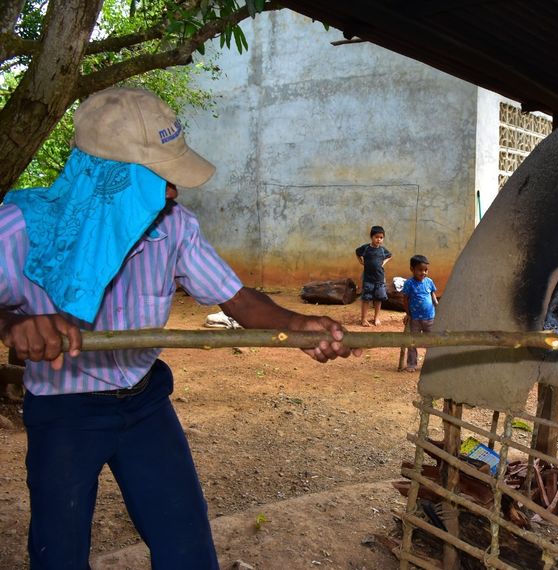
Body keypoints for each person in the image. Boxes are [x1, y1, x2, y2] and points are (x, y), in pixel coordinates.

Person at [0, 87, 359, 569]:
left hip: (145, 402)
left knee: (186, 544)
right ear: (110, 179)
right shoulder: (21, 230)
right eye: (159, 177)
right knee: (58, 553)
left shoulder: (175, 227)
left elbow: (239, 300)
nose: (174, 190)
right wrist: (13, 323)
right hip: (64, 411)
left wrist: (297, 324)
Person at [401, 254, 439, 372]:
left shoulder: (429, 282)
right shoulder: (409, 284)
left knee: (432, 340)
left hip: (430, 317)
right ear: (412, 269)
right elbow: (405, 299)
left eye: (426, 270)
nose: (423, 273)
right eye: (420, 270)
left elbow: (432, 294)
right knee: (412, 341)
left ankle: (433, 362)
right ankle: (411, 364)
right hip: (415, 319)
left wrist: (437, 306)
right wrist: (408, 314)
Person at [354, 225, 392, 326]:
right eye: (376, 237)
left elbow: (390, 256)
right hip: (368, 279)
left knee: (378, 299)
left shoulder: (383, 250)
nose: (379, 239)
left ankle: (376, 318)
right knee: (366, 299)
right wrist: (360, 261)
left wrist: (383, 263)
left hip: (379, 279)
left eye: (381, 237)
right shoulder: (366, 248)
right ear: (371, 237)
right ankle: (364, 319)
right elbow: (357, 252)